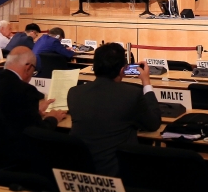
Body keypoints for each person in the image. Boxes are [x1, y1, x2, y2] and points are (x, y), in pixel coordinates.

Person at [68, 44, 161, 177]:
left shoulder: (74, 93)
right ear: (123, 70)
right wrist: (146, 82)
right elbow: (153, 123)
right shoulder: (132, 95)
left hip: (80, 171)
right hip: (117, 173)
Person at [0, 46, 67, 169]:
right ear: (28, 67)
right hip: (13, 161)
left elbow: (6, 114)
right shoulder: (25, 90)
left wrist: (34, 111)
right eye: (34, 71)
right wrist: (53, 118)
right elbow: (36, 132)